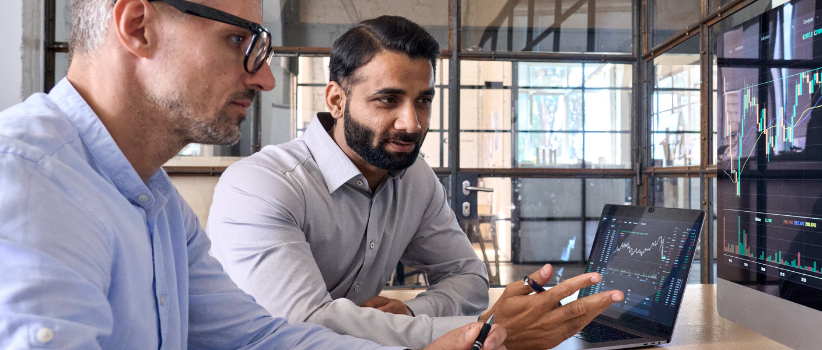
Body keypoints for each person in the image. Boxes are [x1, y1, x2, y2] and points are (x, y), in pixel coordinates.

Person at [0, 1, 506, 349]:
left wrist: (446, 341)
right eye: (237, 39)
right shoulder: (27, 177)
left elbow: (260, 337)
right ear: (138, 26)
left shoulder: (159, 203)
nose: (264, 77)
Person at [206, 15, 624, 350]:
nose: (412, 124)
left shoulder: (414, 177)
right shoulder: (261, 185)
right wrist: (483, 330)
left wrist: (410, 315)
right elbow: (303, 324)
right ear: (336, 100)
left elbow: (467, 276)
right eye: (387, 100)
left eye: (423, 101)